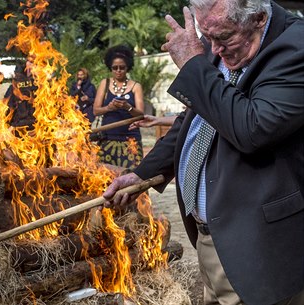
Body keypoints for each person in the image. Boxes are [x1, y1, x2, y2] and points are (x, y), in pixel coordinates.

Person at [102, 1, 304, 305]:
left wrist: (194, 66)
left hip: (259, 243)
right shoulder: (223, 42)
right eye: (207, 38)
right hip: (212, 238)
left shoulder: (295, 48)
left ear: (259, 18)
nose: (215, 50)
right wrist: (142, 173)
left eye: (223, 38)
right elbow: (194, 118)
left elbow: (252, 128)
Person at [93, 45, 145, 169]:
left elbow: (141, 114)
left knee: (132, 178)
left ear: (127, 68)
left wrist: (128, 107)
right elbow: (96, 110)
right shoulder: (104, 84)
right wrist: (109, 108)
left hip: (130, 140)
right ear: (110, 68)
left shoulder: (135, 86)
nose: (118, 71)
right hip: (107, 139)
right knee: (105, 178)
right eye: (114, 68)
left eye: (122, 67)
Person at [4, 55, 38, 136]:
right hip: (17, 124)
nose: (31, 65)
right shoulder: (17, 83)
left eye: (34, 63)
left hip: (34, 124)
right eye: (29, 61)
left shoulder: (41, 83)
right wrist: (11, 125)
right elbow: (8, 104)